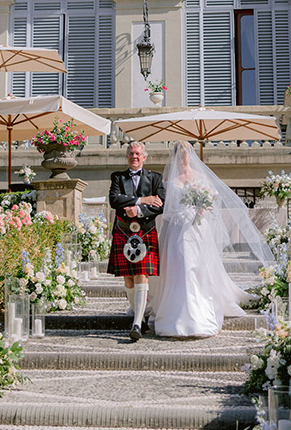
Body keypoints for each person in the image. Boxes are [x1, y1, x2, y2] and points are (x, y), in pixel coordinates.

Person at [148, 141, 274, 338]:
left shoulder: (199, 177)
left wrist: (202, 210)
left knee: (196, 268)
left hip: (197, 228)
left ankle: (198, 312)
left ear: (190, 156)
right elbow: (167, 210)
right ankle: (176, 312)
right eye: (179, 156)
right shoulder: (168, 180)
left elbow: (211, 201)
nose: (182, 160)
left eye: (185, 156)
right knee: (178, 268)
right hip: (176, 229)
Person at [107, 142, 165, 341]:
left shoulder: (155, 178)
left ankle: (136, 324)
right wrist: (142, 200)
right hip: (123, 231)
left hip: (146, 231)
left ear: (144, 157)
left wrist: (138, 211)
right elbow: (114, 200)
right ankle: (139, 318)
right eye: (131, 153)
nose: (134, 156)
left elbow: (161, 205)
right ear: (126, 156)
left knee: (141, 275)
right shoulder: (117, 177)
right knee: (128, 279)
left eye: (138, 153)